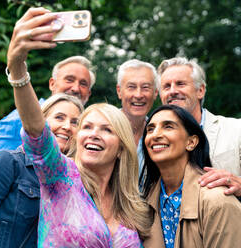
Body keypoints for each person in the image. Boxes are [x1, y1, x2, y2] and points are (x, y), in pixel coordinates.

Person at [10, 8, 151, 246]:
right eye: (87, 127)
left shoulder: (132, 202)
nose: (94, 134)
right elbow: (36, 131)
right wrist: (17, 67)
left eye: (107, 129)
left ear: (120, 148)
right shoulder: (61, 176)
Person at [0, 18, 96, 195]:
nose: (75, 88)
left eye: (83, 83)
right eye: (69, 80)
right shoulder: (18, 119)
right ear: (52, 84)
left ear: (89, 93)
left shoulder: (90, 127)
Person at [0, 93, 84, 247]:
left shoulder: (76, 179)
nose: (67, 126)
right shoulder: (9, 163)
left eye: (75, 122)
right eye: (59, 117)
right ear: (39, 121)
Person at [141, 104, 241, 248]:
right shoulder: (147, 200)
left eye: (168, 127)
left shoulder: (217, 202)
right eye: (150, 129)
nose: (155, 135)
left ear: (191, 142)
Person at [157, 57, 241, 208]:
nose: (173, 91)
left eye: (180, 84)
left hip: (227, 228)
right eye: (166, 86)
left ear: (200, 90)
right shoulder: (153, 139)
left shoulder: (236, 129)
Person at [116, 59, 158, 174]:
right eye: (131, 87)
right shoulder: (103, 129)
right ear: (119, 91)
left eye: (145, 87)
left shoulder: (160, 135)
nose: (139, 95)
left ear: (155, 93)